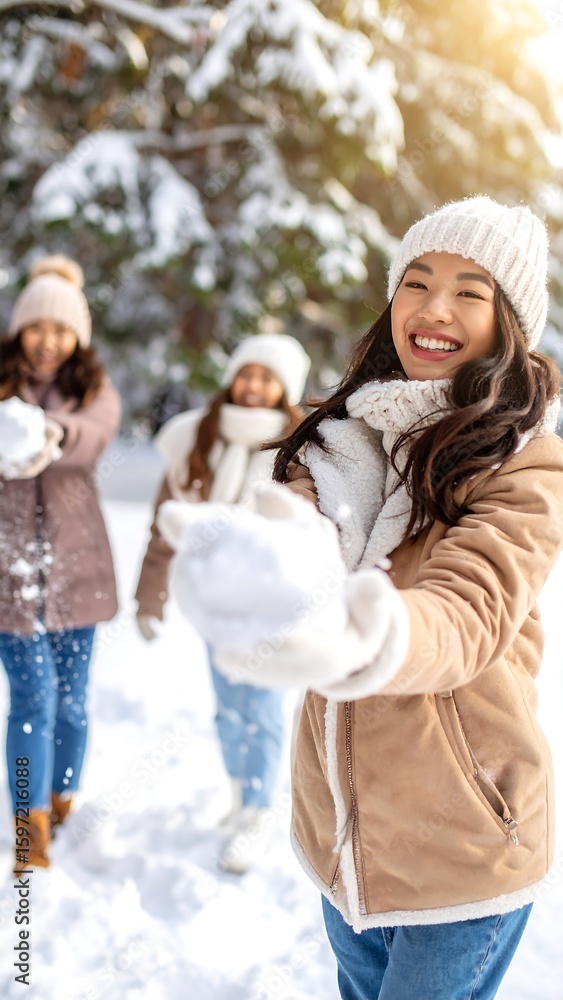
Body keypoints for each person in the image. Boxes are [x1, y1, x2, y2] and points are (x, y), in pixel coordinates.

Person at [157, 197, 563, 998]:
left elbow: (469, 610)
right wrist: (252, 566)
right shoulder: (337, 437)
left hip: (464, 847)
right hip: (342, 842)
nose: (433, 308)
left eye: (469, 292)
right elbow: (298, 540)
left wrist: (362, 632)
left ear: (508, 326)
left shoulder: (524, 461)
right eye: (416, 282)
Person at [135, 332, 310, 872]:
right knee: (228, 706)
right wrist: (149, 594)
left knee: (262, 708)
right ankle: (238, 795)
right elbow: (166, 521)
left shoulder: (298, 444)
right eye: (247, 373)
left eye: (267, 377)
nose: (253, 385)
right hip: (214, 600)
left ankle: (257, 810)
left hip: (270, 601)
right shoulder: (197, 437)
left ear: (285, 389)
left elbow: (313, 528)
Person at [0, 256, 121, 871]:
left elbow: (93, 434)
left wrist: (42, 431)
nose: (47, 341)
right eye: (36, 327)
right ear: (19, 330)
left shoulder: (92, 390)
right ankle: (30, 821)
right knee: (33, 697)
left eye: (60, 329)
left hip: (78, 574)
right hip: (10, 578)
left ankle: (61, 796)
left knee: (71, 700)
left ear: (77, 336)